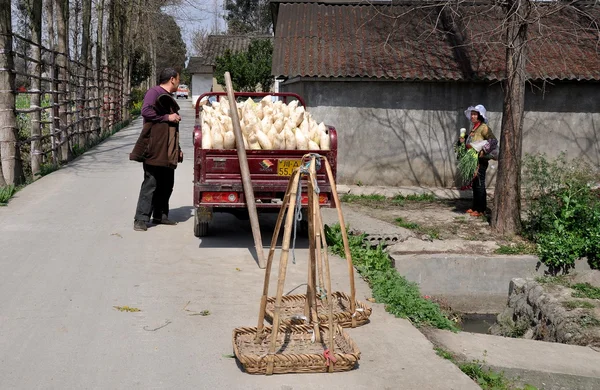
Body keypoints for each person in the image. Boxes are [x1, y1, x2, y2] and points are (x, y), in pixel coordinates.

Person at [130, 68, 183, 231]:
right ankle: (140, 218)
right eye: (178, 79)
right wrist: (167, 117)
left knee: (167, 183)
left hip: (168, 148)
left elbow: (172, 126)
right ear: (172, 79)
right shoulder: (154, 92)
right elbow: (145, 111)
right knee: (151, 182)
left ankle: (160, 215)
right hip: (155, 145)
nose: (179, 83)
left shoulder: (168, 98)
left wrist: (177, 148)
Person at [460, 104, 498, 217]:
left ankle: (481, 209)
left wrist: (483, 152)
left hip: (480, 161)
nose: (472, 116)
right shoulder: (474, 127)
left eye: (475, 114)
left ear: (480, 116)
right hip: (473, 160)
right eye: (472, 114)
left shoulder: (484, 127)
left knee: (480, 184)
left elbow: (493, 141)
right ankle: (475, 207)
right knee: (475, 184)